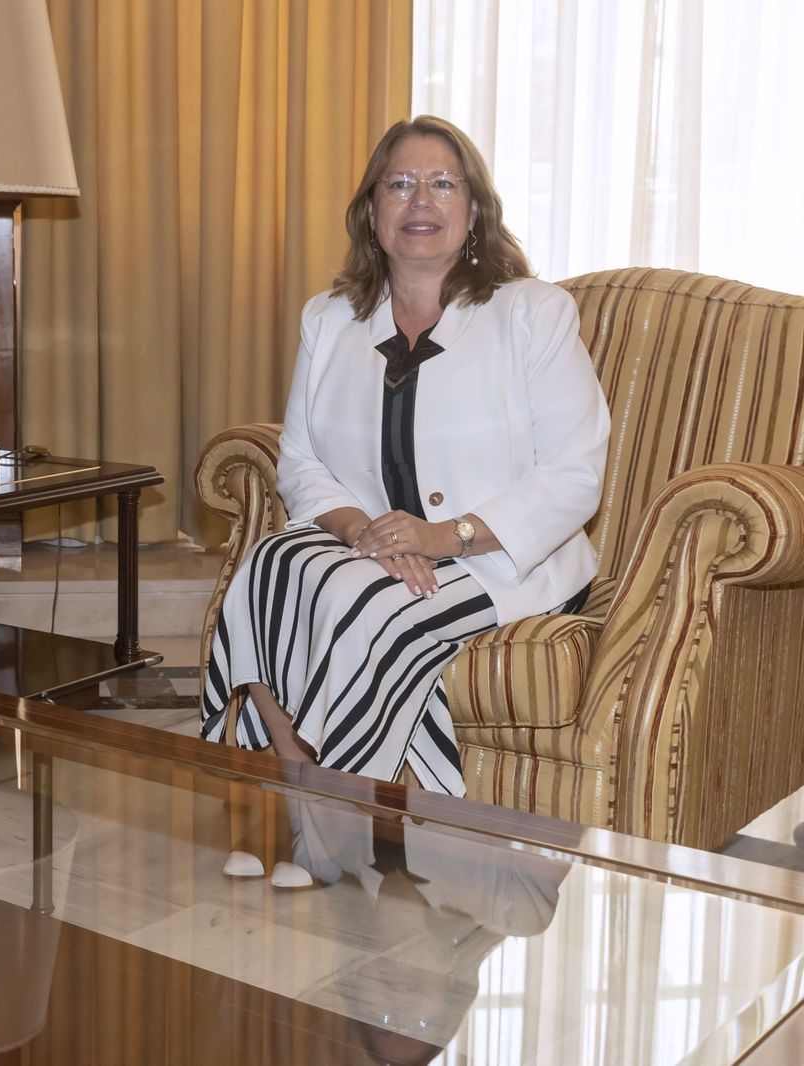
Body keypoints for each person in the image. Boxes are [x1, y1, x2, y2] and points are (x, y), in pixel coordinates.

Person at [200, 115, 609, 881]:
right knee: (265, 570)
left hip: (501, 557)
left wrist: (443, 537)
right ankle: (300, 781)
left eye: (443, 183)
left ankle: (330, 832)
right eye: (400, 184)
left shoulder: (532, 314)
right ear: (372, 211)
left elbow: (575, 472)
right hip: (375, 541)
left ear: (474, 210)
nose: (421, 199)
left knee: (367, 610)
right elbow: (301, 460)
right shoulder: (330, 319)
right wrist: (366, 531)